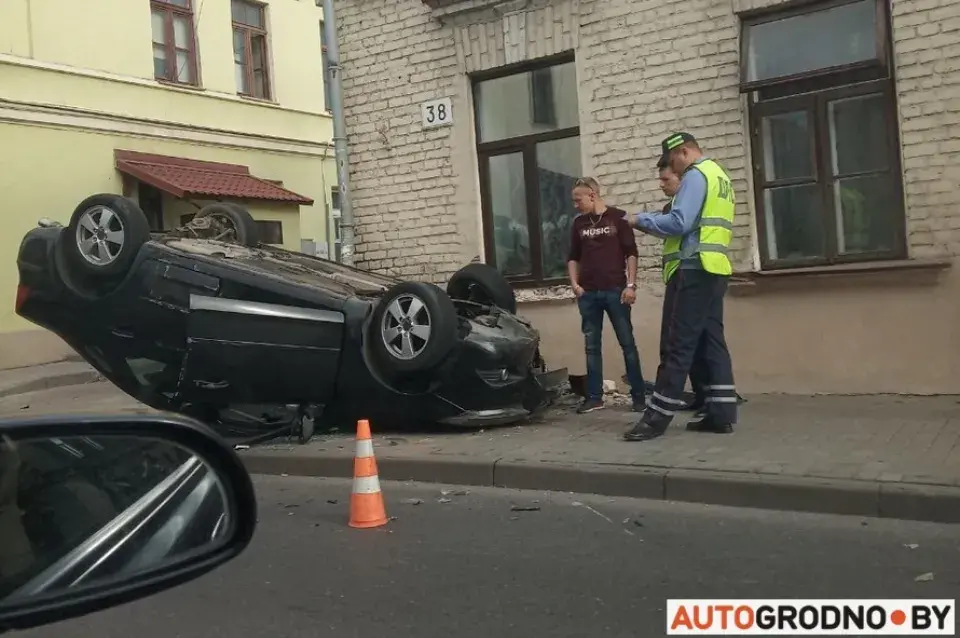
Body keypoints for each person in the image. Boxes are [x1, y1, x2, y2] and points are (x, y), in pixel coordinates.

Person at [623, 133, 738, 441]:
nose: (673, 170)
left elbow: (681, 222)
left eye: (673, 162)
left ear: (684, 152)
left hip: (694, 268)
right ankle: (721, 413)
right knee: (712, 343)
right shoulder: (721, 176)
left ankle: (655, 418)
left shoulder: (697, 175)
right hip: (714, 268)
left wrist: (638, 220)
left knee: (678, 344)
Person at [567, 177, 646, 414]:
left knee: (627, 344)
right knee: (591, 346)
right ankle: (594, 397)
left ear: (592, 195)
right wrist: (575, 285)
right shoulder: (579, 223)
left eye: (577, 199)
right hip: (589, 294)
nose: (575, 205)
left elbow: (631, 253)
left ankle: (639, 397)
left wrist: (630, 285)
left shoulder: (618, 217)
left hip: (615, 291)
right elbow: (573, 257)